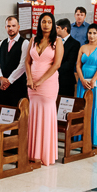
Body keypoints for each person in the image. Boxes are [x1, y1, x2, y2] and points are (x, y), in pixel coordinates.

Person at [26, 12, 63, 165]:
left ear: (53, 24)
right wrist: (29, 78)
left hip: (48, 83)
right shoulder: (33, 40)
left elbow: (57, 64)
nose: (46, 24)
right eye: (43, 21)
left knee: (46, 114)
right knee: (34, 114)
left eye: (49, 22)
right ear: (39, 24)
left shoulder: (57, 41)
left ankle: (45, 154)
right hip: (32, 84)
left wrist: (41, 80)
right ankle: (33, 153)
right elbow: (27, 61)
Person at [76, 24, 97, 150]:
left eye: (94, 33)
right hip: (83, 80)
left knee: (95, 106)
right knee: (83, 106)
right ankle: (81, 137)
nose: (92, 36)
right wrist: (82, 80)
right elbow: (78, 65)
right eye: (90, 33)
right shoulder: (83, 47)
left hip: (96, 80)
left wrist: (93, 81)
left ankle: (96, 139)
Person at [0, 16, 30, 108]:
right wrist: (1, 78)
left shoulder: (25, 43)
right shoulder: (1, 43)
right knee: (2, 112)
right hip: (2, 85)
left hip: (17, 85)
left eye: (13, 26)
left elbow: (22, 65)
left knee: (16, 114)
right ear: (5, 27)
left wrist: (9, 81)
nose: (11, 28)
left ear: (18, 27)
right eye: (8, 26)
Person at [56, 19, 82, 98]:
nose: (55, 30)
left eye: (58, 28)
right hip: (53, 79)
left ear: (65, 29)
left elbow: (70, 63)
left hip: (66, 79)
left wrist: (54, 70)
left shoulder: (75, 44)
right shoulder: (55, 41)